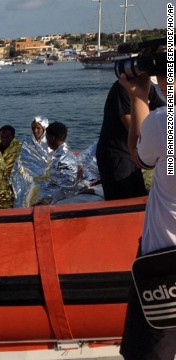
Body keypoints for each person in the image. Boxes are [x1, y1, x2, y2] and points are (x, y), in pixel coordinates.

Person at [118, 64, 175, 358]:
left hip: (164, 262)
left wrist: (139, 96)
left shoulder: (165, 122)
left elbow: (140, 158)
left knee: (152, 352)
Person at [96, 80, 165, 200]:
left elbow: (165, 110)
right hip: (117, 155)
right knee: (121, 201)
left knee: (137, 195)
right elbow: (133, 126)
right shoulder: (122, 88)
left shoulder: (147, 88)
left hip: (133, 154)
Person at [34, 121, 81, 205]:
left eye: (47, 138)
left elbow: (66, 187)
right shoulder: (66, 155)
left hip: (60, 202)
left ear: (52, 138)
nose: (46, 141)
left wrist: (45, 200)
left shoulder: (62, 160)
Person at [11, 116, 53, 208]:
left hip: (46, 179)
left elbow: (51, 162)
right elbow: (22, 159)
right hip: (28, 178)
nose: (35, 131)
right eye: (33, 128)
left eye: (38, 128)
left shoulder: (50, 143)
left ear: (44, 129)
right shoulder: (27, 141)